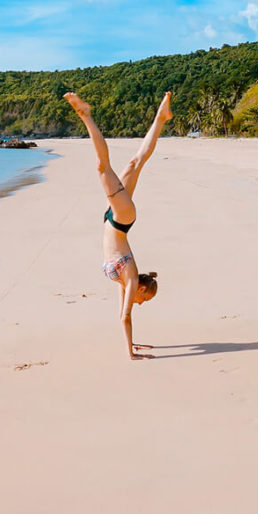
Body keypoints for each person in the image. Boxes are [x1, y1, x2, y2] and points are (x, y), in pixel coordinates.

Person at [63, 91, 172, 360]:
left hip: (115, 218)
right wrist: (130, 353)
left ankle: (161, 117)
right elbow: (125, 318)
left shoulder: (127, 282)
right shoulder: (132, 280)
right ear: (143, 289)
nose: (139, 303)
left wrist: (132, 345)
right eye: (144, 300)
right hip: (121, 218)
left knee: (136, 161)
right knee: (103, 168)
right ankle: (86, 116)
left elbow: (120, 315)